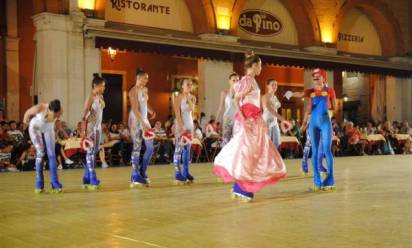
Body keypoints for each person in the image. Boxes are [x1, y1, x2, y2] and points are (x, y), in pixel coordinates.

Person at [213, 51, 287, 202]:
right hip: (247, 120)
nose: (261, 68)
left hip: (254, 120)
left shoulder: (252, 80)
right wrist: (244, 117)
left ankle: (238, 187)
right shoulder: (247, 80)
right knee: (246, 153)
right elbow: (236, 100)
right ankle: (241, 188)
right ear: (253, 66)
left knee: (251, 153)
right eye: (259, 65)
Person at [301, 68, 336, 191]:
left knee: (326, 150)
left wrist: (329, 107)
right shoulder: (310, 92)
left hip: (325, 121)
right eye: (314, 76)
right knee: (314, 151)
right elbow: (307, 106)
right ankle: (317, 181)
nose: (315, 78)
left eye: (318, 76)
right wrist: (304, 123)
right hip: (313, 123)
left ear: (324, 78)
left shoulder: (329, 90)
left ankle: (330, 179)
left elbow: (334, 106)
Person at [23, 99, 63, 193]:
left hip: (48, 129)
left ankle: (54, 182)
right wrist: (27, 126)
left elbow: (57, 123)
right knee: (41, 152)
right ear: (49, 109)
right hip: (35, 127)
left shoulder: (60, 110)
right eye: (54, 114)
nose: (56, 116)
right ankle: (39, 182)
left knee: (52, 155)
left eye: (57, 114)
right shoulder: (40, 107)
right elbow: (26, 114)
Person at [129, 68, 156, 187]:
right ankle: (135, 175)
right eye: (145, 78)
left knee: (150, 148)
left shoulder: (145, 89)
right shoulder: (133, 91)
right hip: (136, 120)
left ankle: (142, 171)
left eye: (147, 78)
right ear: (138, 78)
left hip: (144, 119)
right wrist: (143, 124)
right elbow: (135, 109)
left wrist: (151, 111)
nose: (147, 80)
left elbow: (145, 103)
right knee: (137, 147)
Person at [80, 73, 106, 190]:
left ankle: (86, 177)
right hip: (90, 128)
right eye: (103, 86)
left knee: (94, 152)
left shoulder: (101, 96)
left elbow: (99, 113)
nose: (104, 88)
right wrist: (83, 131)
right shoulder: (90, 96)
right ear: (96, 85)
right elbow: (84, 114)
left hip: (98, 128)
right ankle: (92, 178)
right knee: (90, 153)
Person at [173, 78, 196, 184]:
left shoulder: (193, 97)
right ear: (182, 86)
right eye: (187, 84)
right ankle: (177, 173)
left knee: (187, 149)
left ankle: (186, 172)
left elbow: (192, 109)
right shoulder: (178, 97)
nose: (189, 86)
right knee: (179, 148)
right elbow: (177, 113)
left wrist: (188, 97)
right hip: (180, 125)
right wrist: (181, 126)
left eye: (191, 84)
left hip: (190, 124)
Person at [262, 79, 290, 147]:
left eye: (276, 84)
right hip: (267, 121)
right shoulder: (265, 96)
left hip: (274, 121)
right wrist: (281, 118)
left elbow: (276, 106)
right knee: (267, 143)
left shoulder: (275, 97)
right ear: (267, 86)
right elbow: (270, 109)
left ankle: (273, 157)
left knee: (276, 144)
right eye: (273, 84)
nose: (275, 86)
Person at [215, 72, 240, 146]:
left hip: (237, 119)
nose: (236, 82)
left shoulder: (240, 94)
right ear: (229, 81)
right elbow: (220, 107)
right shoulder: (224, 92)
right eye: (234, 80)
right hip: (227, 118)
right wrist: (216, 121)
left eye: (237, 80)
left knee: (236, 141)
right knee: (226, 140)